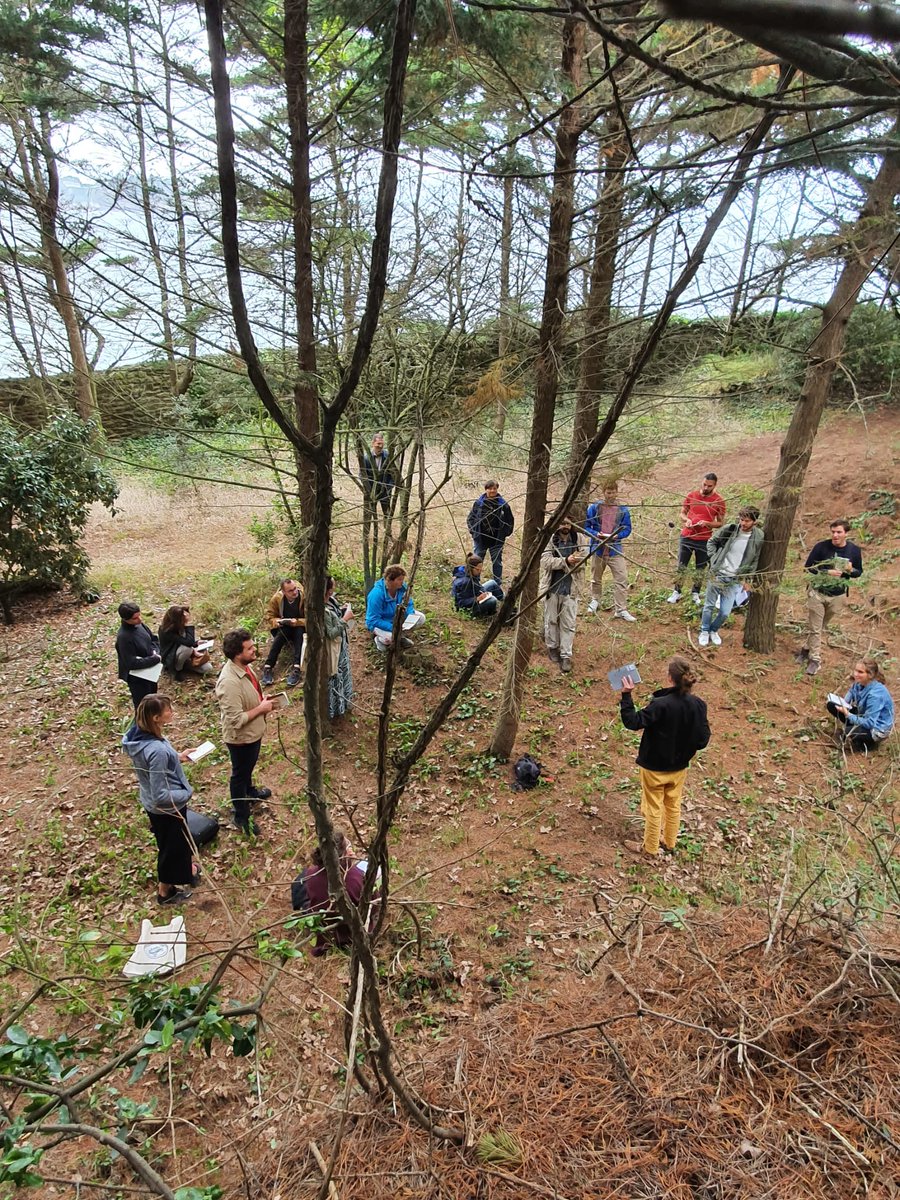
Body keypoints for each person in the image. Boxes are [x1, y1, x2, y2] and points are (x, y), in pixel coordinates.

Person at [619, 657, 711, 859]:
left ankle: (650, 848)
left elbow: (633, 722)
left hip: (654, 768)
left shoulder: (660, 705)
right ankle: (669, 842)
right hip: (679, 769)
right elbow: (703, 740)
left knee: (653, 808)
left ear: (670, 678)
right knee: (673, 805)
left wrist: (626, 695)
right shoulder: (699, 705)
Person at [122, 694, 202, 905]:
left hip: (158, 804)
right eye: (168, 710)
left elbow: (154, 768)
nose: (172, 712)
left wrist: (178, 757)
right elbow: (160, 795)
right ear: (156, 717)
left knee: (176, 844)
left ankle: (185, 872)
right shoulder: (155, 750)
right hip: (167, 808)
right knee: (171, 848)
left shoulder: (142, 736)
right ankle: (165, 892)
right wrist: (186, 794)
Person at [216, 628, 275, 835]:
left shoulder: (244, 667)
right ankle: (241, 816)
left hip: (253, 733)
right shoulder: (229, 682)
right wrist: (261, 709)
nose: (254, 650)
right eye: (249, 648)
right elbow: (235, 720)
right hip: (241, 739)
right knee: (239, 775)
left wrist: (261, 701)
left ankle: (250, 792)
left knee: (247, 769)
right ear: (236, 653)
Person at [796, 519, 863, 677]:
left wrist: (849, 570)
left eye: (839, 532)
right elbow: (809, 567)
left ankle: (805, 649)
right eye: (833, 532)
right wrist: (826, 572)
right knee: (816, 627)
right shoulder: (821, 547)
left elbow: (859, 572)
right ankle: (815, 660)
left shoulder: (854, 550)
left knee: (821, 626)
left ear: (846, 533)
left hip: (838, 594)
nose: (835, 535)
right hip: (817, 592)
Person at [290, 831, 369, 956]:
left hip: (324, 934)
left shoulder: (311, 874)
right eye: (349, 848)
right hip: (350, 936)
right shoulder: (357, 877)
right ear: (342, 854)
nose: (353, 852)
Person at [698, 506, 763, 647]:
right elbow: (711, 541)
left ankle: (713, 630)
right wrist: (714, 558)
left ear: (754, 521)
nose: (743, 523)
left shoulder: (758, 536)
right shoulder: (730, 529)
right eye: (741, 520)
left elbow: (755, 560)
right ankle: (704, 631)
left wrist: (747, 579)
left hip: (735, 579)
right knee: (709, 605)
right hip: (718, 573)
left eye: (747, 521)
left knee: (725, 612)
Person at [668, 472, 726, 605]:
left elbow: (720, 522)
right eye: (704, 484)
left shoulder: (719, 501)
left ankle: (695, 592)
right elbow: (682, 513)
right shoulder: (692, 495)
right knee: (682, 565)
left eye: (709, 486)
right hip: (687, 535)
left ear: (715, 485)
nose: (706, 488)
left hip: (704, 538)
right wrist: (687, 520)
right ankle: (677, 591)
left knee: (700, 567)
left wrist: (708, 524)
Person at [540, 514, 587, 674]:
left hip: (571, 589)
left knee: (568, 623)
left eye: (567, 523)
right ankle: (552, 647)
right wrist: (566, 561)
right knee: (551, 620)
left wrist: (572, 562)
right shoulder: (549, 539)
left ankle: (566, 655)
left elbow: (583, 561)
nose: (564, 526)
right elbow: (545, 562)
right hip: (552, 587)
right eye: (561, 523)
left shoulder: (580, 539)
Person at [585, 480, 635, 621]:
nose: (611, 495)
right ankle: (595, 600)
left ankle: (621, 609)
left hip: (615, 549)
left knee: (621, 578)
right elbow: (586, 525)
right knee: (596, 577)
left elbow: (627, 528)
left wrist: (618, 535)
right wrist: (596, 535)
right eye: (608, 492)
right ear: (604, 492)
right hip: (598, 547)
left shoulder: (623, 510)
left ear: (616, 492)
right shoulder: (595, 508)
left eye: (613, 492)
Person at [826, 659, 894, 752]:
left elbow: (870, 723)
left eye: (860, 672)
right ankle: (855, 732)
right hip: (863, 715)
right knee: (831, 705)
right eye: (855, 670)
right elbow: (849, 697)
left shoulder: (875, 695)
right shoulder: (859, 683)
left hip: (876, 728)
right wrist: (842, 703)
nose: (855, 674)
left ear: (870, 675)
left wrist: (848, 714)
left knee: (847, 731)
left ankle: (868, 744)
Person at [365, 564, 426, 651]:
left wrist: (410, 615)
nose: (402, 582)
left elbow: (408, 603)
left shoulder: (402, 588)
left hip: (396, 619)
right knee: (389, 638)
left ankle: (400, 636)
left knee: (420, 618)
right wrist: (393, 627)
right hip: (381, 623)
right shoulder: (376, 594)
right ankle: (379, 639)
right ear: (390, 580)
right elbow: (373, 619)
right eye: (399, 580)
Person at [466, 479, 515, 586]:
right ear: (486, 489)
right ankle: (475, 584)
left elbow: (510, 520)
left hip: (496, 540)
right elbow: (471, 518)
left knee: (497, 563)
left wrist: (504, 534)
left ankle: (497, 585)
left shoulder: (503, 505)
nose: (492, 491)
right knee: (476, 562)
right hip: (480, 539)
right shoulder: (479, 503)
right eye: (490, 488)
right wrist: (474, 532)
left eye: (494, 488)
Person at [115, 601, 162, 709]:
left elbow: (154, 639)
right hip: (137, 679)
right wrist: (154, 659)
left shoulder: (140, 625)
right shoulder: (124, 638)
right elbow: (131, 663)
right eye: (135, 618)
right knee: (143, 706)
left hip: (150, 672)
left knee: (153, 698)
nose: (140, 619)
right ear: (126, 619)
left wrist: (156, 651)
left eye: (139, 616)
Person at [261, 579, 305, 689]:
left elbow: (312, 619)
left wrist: (297, 622)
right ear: (283, 592)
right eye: (290, 591)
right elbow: (270, 616)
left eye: (295, 589)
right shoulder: (277, 599)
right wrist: (277, 622)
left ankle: (296, 668)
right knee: (281, 635)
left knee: (299, 634)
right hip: (285, 627)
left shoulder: (304, 598)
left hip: (300, 627)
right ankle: (268, 666)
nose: (294, 592)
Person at [324, 575, 354, 719]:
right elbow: (330, 633)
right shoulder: (322, 609)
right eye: (332, 586)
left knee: (343, 674)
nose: (334, 588)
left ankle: (345, 703)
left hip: (341, 647)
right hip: (333, 649)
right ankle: (334, 710)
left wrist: (341, 611)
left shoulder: (331, 600)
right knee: (335, 676)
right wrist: (345, 619)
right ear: (327, 590)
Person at [158, 605, 213, 679]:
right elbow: (188, 643)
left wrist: (196, 643)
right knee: (188, 649)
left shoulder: (180, 626)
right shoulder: (166, 631)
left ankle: (186, 666)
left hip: (185, 655)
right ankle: (178, 670)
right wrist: (188, 625)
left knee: (207, 669)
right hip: (173, 657)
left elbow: (186, 641)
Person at [361, 432, 394, 519]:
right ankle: (369, 532)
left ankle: (387, 530)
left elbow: (393, 473)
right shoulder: (365, 458)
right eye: (378, 444)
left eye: (382, 444)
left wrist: (389, 487)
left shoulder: (388, 456)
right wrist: (368, 489)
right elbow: (362, 475)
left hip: (385, 491)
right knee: (370, 513)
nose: (380, 446)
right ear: (373, 443)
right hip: (372, 490)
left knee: (387, 513)